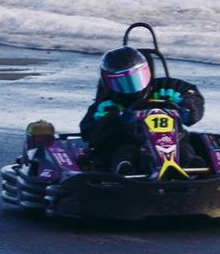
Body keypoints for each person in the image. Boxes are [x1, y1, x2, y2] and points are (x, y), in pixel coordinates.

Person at [77, 46, 205, 172]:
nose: (133, 86)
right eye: (124, 82)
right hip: (131, 144)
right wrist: (118, 120)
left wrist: (188, 110)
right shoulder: (108, 104)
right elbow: (91, 131)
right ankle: (125, 171)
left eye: (136, 78)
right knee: (125, 150)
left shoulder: (165, 88)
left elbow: (191, 95)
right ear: (109, 82)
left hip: (170, 140)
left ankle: (192, 167)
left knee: (182, 144)